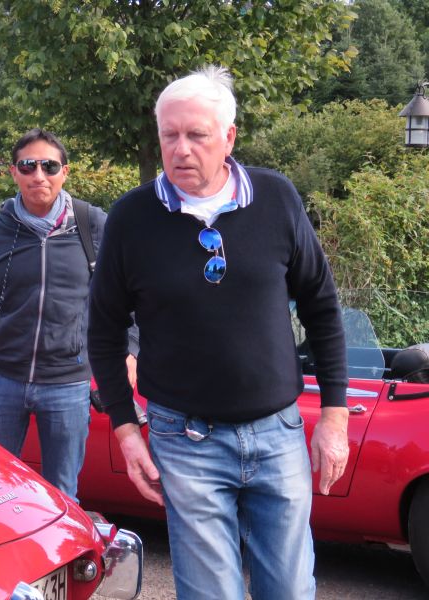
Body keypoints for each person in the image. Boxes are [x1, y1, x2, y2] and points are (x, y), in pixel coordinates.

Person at [87, 66, 349, 599]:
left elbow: (321, 306)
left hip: (278, 434)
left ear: (228, 137)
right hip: (185, 442)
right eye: (169, 135)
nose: (180, 149)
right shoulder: (131, 219)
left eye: (196, 135)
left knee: (290, 590)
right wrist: (126, 430)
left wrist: (335, 416)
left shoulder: (276, 198)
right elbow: (103, 330)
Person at [0, 128, 137, 500]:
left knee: (63, 494)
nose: (39, 175)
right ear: (14, 172)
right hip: (3, 382)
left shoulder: (92, 225)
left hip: (68, 384)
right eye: (28, 166)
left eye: (49, 166)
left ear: (64, 172)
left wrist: (131, 350)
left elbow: (127, 297)